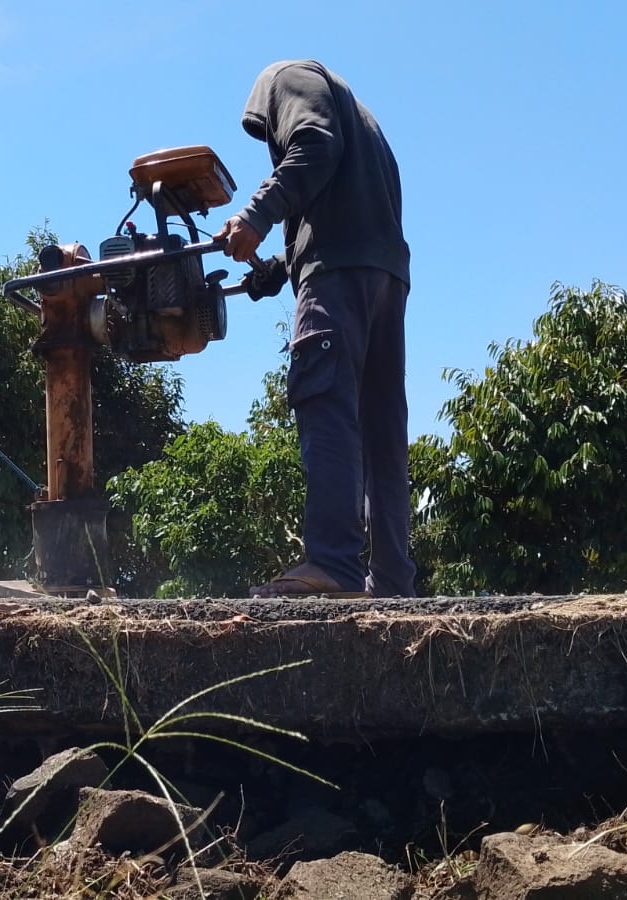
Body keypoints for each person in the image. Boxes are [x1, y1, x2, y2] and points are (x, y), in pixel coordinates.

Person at [216, 60, 417, 599]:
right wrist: (278, 269)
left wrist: (255, 215)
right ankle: (392, 578)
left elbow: (314, 147)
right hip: (384, 276)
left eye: (263, 130)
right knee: (381, 429)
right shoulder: (364, 123)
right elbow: (335, 204)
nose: (268, 139)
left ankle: (333, 563)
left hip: (337, 277)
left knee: (324, 400)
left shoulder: (290, 79)